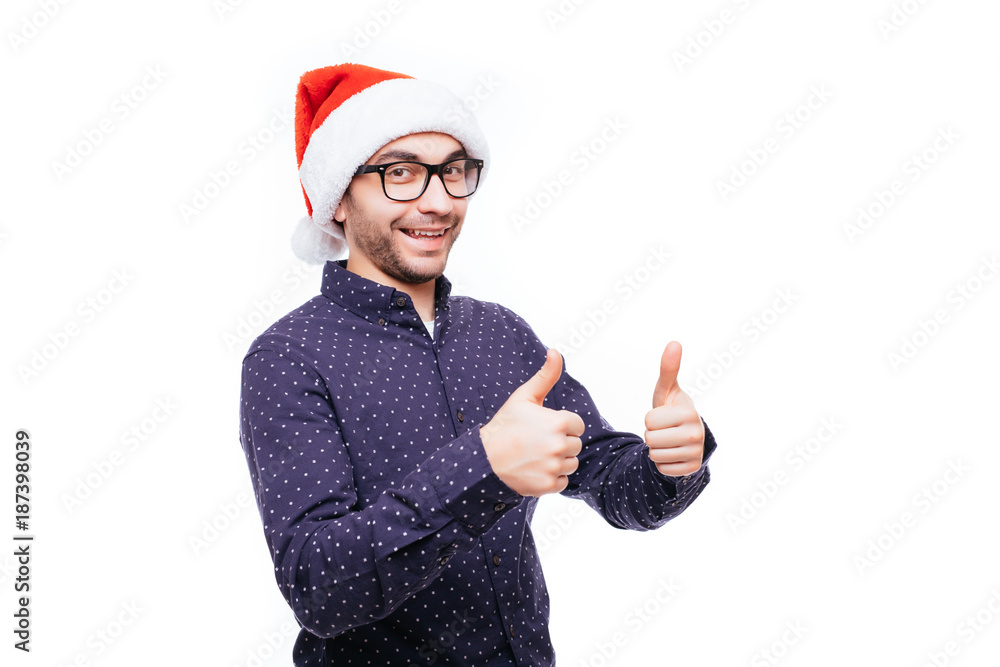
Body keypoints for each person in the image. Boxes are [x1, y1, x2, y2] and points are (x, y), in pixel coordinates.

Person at [239, 63, 718, 666]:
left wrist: (670, 463)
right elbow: (320, 587)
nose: (438, 201)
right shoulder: (287, 359)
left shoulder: (501, 333)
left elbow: (606, 478)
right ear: (338, 199)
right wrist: (483, 467)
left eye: (453, 172)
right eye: (401, 173)